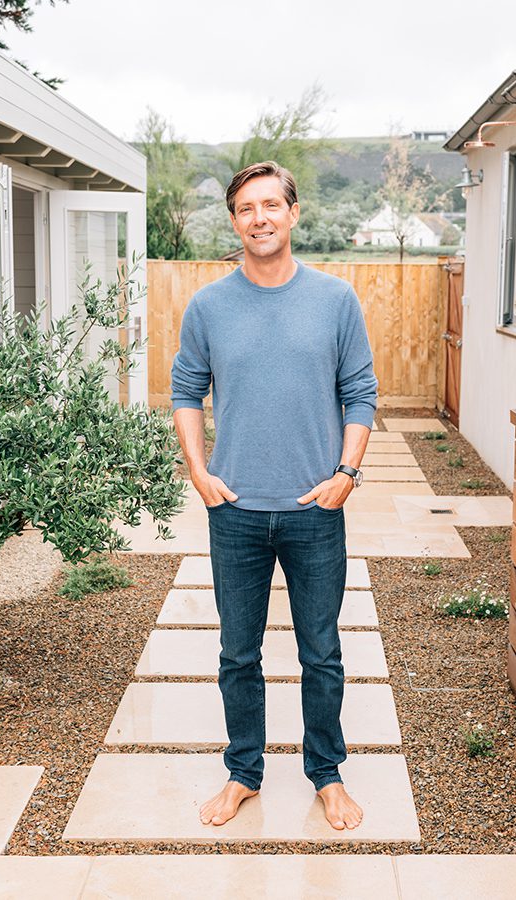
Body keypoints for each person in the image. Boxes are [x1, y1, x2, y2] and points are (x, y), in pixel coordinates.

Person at [169, 160, 378, 831]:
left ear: (292, 212)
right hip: (233, 511)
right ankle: (243, 773)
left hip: (315, 510)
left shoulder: (335, 301)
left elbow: (361, 396)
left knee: (320, 651)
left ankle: (327, 774)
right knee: (238, 653)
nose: (259, 218)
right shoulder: (208, 306)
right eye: (245, 209)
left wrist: (346, 475)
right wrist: (200, 474)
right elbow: (184, 395)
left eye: (270, 205)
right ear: (235, 221)